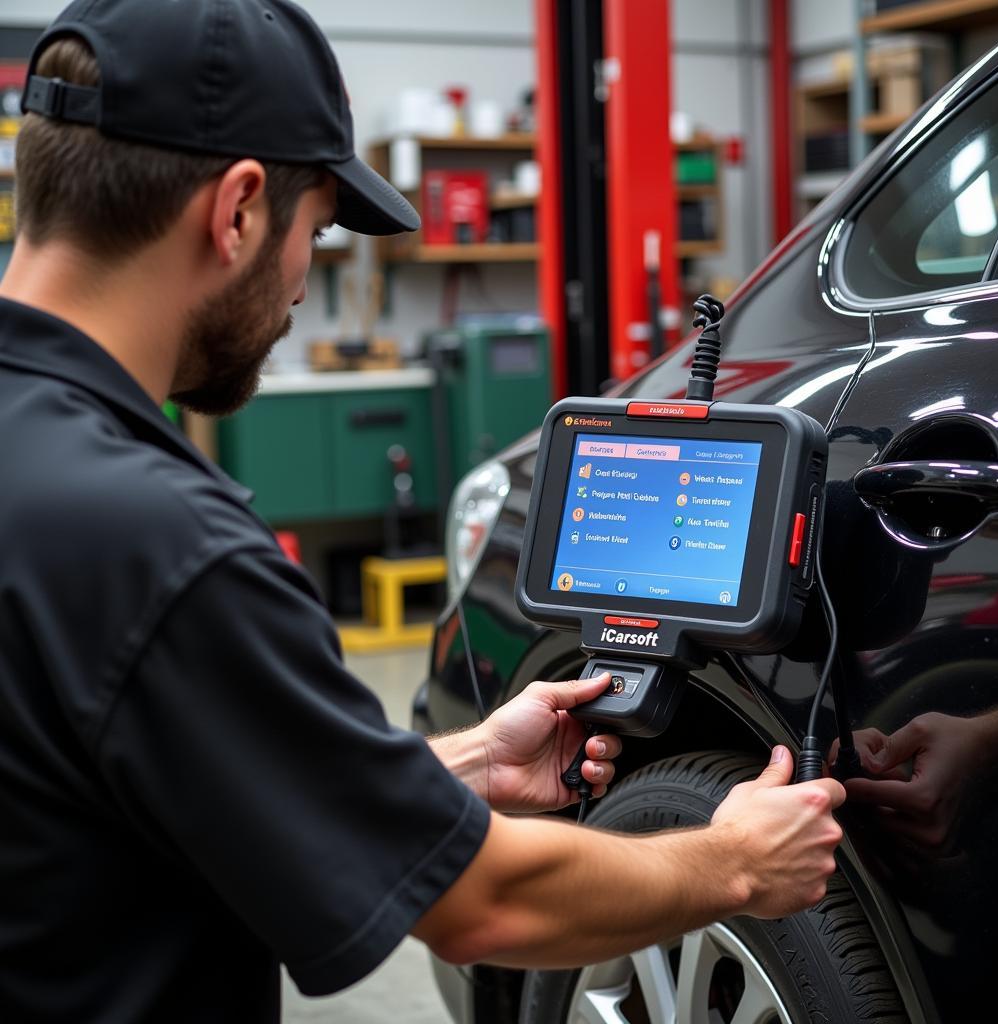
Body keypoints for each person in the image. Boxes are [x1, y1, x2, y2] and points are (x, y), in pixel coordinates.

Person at [0, 1, 846, 1020]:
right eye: (312, 233)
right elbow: (477, 904)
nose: (301, 287)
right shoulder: (166, 548)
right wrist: (735, 866)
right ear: (236, 211)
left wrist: (468, 759)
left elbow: (155, 775)